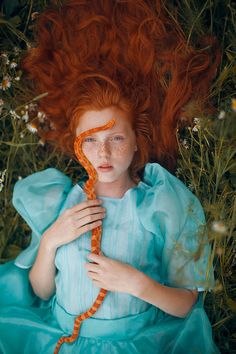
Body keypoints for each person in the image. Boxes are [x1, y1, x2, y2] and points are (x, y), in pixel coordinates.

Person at [0, 0, 221, 353]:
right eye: (91, 140)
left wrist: (137, 283)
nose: (102, 154)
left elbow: (186, 304)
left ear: (136, 143)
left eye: (116, 138)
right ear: (77, 146)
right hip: (62, 339)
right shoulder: (59, 201)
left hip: (137, 342)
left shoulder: (161, 203)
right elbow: (42, 291)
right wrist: (51, 241)